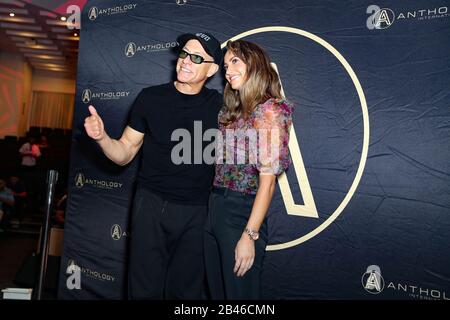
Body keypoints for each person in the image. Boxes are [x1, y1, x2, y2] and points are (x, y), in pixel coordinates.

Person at [84, 32, 223, 299]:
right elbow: (124, 152)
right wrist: (102, 138)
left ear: (212, 69)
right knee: (143, 290)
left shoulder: (220, 107)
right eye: (184, 53)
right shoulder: (151, 98)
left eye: (196, 57)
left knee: (186, 294)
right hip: (151, 206)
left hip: (199, 212)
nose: (185, 61)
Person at [204, 40, 294, 299]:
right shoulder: (233, 111)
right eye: (225, 65)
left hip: (241, 213)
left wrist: (249, 235)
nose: (227, 70)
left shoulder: (270, 111)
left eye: (235, 61)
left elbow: (268, 184)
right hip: (215, 208)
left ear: (254, 65)